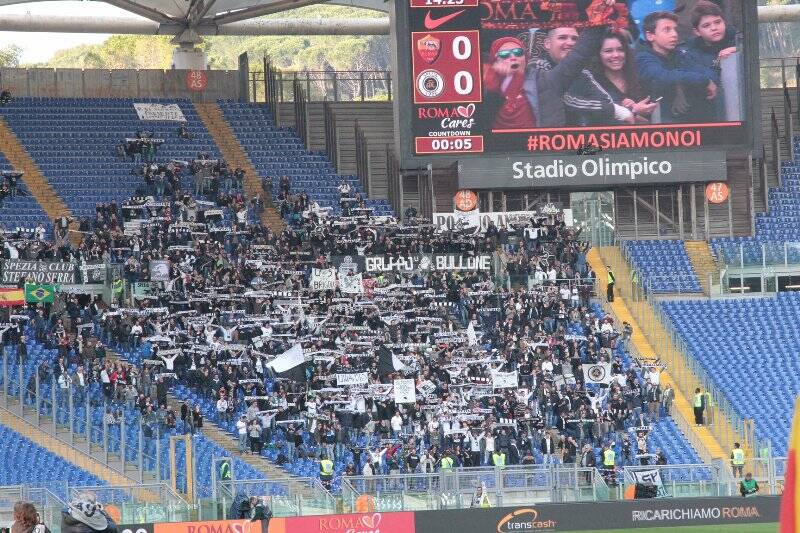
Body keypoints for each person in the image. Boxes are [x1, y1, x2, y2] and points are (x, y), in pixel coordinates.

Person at [635, 11, 719, 124]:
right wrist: (702, 80)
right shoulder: (642, 58)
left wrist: (703, 79)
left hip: (689, 120)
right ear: (650, 36)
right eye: (667, 30)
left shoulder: (680, 54)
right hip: (657, 126)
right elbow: (662, 77)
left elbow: (709, 73)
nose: (674, 34)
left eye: (675, 29)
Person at [522, 24, 609, 128]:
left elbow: (608, 104)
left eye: (575, 39)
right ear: (547, 44)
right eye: (562, 38)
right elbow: (553, 96)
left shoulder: (583, 73)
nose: (570, 43)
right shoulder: (536, 68)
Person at [565, 32, 658, 126]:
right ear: (597, 54)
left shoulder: (638, 78)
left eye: (620, 50)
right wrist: (633, 111)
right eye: (608, 51)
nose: (616, 55)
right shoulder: (590, 81)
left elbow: (649, 121)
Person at [682, 1, 737, 121]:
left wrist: (738, 50)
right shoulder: (690, 52)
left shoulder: (738, 39)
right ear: (697, 31)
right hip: (708, 114)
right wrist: (718, 62)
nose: (714, 28)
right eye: (706, 25)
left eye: (718, 22)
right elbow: (707, 78)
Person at [484, 37, 537, 129]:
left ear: (525, 57)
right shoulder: (488, 78)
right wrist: (493, 75)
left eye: (518, 52)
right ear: (496, 59)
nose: (513, 57)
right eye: (504, 54)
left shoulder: (539, 78)